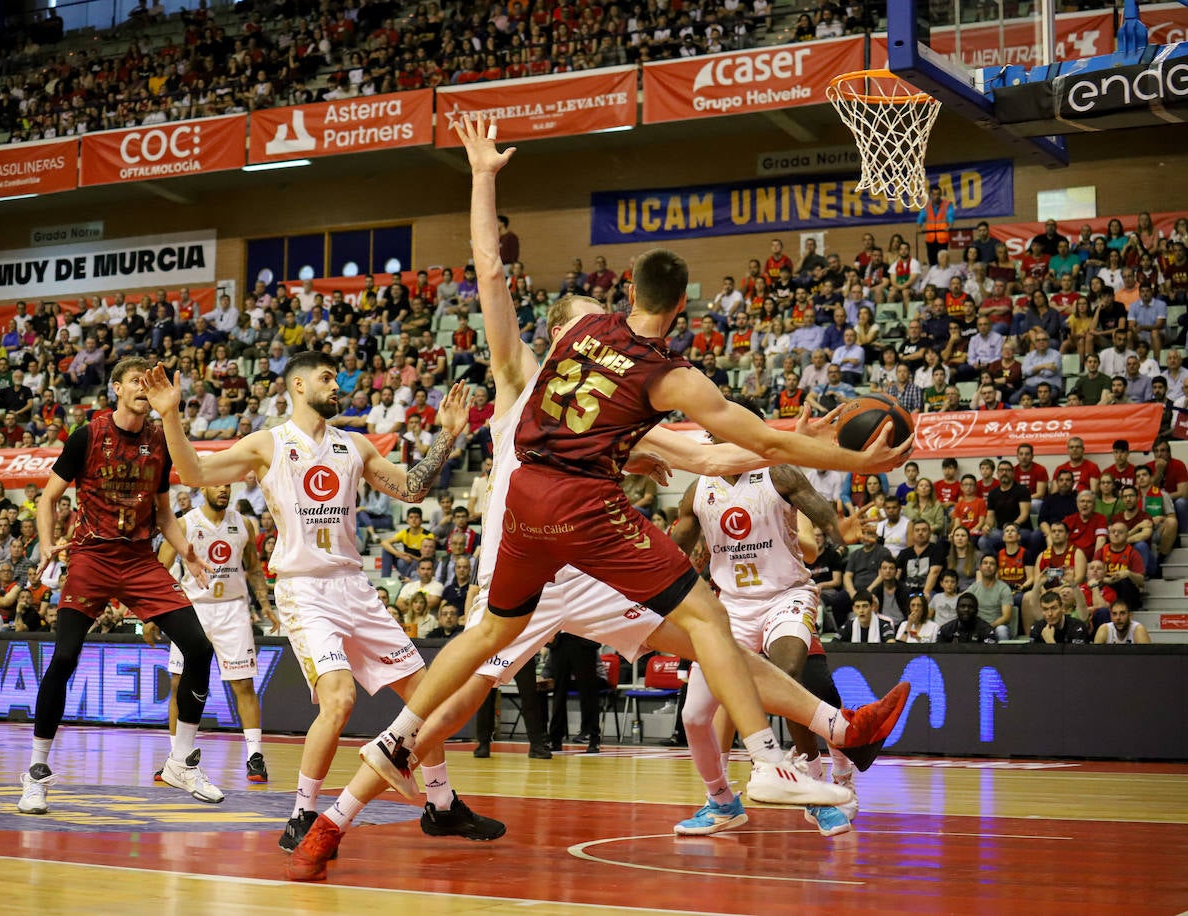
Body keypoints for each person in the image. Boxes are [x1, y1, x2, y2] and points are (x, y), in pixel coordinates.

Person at [286, 117, 911, 880]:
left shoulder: (602, 395)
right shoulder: (521, 368)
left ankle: (838, 731)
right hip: (543, 546)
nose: (592, 322)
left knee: (708, 646)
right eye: (580, 315)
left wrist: (790, 434)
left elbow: (711, 453)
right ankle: (338, 813)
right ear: (559, 332)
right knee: (444, 709)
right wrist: (817, 446)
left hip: (577, 558)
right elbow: (487, 270)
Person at [140, 353, 505, 856]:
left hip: (354, 587)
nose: (339, 386)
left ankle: (440, 806)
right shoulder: (269, 443)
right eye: (327, 378)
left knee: (428, 697)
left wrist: (448, 434)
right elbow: (194, 470)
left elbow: (413, 488)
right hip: (304, 589)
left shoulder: (352, 445)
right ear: (297, 384)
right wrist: (170, 414)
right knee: (339, 700)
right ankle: (302, 814)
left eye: (338, 378)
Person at [18, 357, 223, 816]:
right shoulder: (87, 435)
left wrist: (187, 552)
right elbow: (48, 498)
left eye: (151, 384)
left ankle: (181, 763)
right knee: (66, 656)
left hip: (139, 560)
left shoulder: (161, 440)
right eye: (136, 380)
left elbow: (165, 514)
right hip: (91, 557)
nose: (144, 388)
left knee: (199, 647)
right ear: (115, 389)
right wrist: (49, 543)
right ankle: (35, 770)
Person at [674, 459, 868, 837]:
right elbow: (674, 550)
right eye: (713, 437)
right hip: (730, 605)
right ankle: (721, 802)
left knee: (788, 675)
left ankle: (814, 789)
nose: (718, 443)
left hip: (785, 596)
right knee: (694, 716)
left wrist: (839, 534)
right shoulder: (698, 490)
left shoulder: (778, 475)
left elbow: (822, 521)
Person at [145, 483, 276, 785]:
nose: (223, 490)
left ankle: (255, 756)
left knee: (243, 683)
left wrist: (265, 603)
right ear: (202, 488)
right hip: (193, 610)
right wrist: (152, 615)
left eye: (227, 486)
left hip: (233, 610)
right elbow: (160, 570)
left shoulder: (243, 523)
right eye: (217, 485)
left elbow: (254, 567)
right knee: (178, 683)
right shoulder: (184, 523)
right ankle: (176, 758)